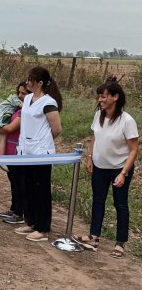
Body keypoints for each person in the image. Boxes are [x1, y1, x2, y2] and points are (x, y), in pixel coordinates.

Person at [72, 78, 138, 258]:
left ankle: (120, 242)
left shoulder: (127, 121)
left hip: (119, 168)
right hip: (100, 166)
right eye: (99, 97)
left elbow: (133, 149)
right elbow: (94, 137)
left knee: (120, 204)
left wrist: (124, 173)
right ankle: (94, 235)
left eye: (104, 97)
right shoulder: (98, 116)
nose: (100, 100)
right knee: (98, 199)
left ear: (115, 97)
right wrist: (90, 157)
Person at [13, 66, 62, 242]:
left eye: (30, 79)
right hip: (26, 150)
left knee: (41, 189)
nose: (27, 82)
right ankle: (31, 221)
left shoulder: (48, 103)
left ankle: (42, 227)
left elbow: (56, 129)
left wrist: (42, 141)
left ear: (40, 83)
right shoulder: (27, 100)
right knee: (28, 187)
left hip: (41, 152)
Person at [0, 82, 28, 224]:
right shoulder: (14, 109)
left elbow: (10, 128)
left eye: (24, 93)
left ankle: (20, 212)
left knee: (20, 182)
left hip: (18, 150)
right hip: (9, 148)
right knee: (13, 180)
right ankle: (14, 208)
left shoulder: (24, 112)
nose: (20, 96)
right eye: (19, 92)